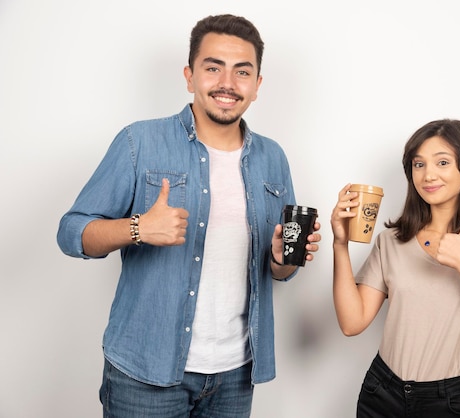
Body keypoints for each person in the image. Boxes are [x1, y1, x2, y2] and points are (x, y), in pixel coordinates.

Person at [57, 14, 321, 418]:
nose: (227, 83)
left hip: (235, 375)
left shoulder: (273, 158)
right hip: (145, 373)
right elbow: (71, 232)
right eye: (213, 67)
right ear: (189, 75)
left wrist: (282, 260)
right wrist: (137, 228)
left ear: (257, 85)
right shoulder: (139, 141)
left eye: (242, 71)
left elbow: (282, 272)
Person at [330, 119, 460, 417]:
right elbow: (352, 322)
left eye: (442, 162)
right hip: (382, 392)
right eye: (419, 164)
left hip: (452, 402)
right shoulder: (392, 241)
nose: (428, 175)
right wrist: (340, 245)